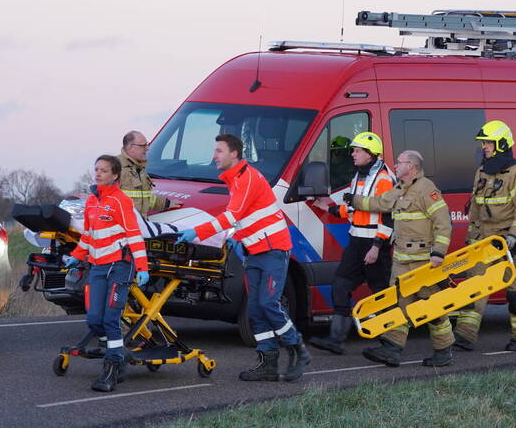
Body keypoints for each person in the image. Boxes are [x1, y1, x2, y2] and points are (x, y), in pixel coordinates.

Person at [176, 134, 311, 382]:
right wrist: (236, 238)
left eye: (218, 151)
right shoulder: (236, 180)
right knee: (256, 310)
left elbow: (231, 216)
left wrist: (197, 233)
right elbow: (244, 218)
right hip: (255, 251)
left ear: (234, 154)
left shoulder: (246, 177)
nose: (213, 156)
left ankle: (298, 349)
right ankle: (268, 362)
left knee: (269, 303)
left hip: (273, 250)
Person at [353, 150, 454, 367]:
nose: (395, 166)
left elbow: (444, 223)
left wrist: (438, 253)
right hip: (401, 260)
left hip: (423, 262)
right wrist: (353, 200)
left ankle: (444, 350)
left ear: (412, 167)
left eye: (399, 162)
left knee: (432, 306)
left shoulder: (427, 190)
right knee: (398, 303)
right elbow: (379, 203)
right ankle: (392, 349)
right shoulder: (399, 189)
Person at [66, 155, 151, 392]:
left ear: (115, 175)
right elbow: (88, 235)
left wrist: (143, 267)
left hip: (119, 266)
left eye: (103, 170)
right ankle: (117, 353)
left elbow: (134, 235)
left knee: (111, 319)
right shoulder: (92, 201)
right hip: (97, 266)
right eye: (96, 169)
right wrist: (76, 256)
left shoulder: (121, 202)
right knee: (94, 319)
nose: (98, 174)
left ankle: (111, 367)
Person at [308, 131, 394, 354]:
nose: (352, 154)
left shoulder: (384, 179)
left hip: (375, 245)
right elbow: (356, 209)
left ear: (370, 154)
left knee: (381, 293)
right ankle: (336, 340)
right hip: (356, 242)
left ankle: (391, 344)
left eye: (357, 151)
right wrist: (328, 208)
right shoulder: (358, 176)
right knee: (341, 284)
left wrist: (377, 246)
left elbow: (388, 216)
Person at [453, 120, 516, 352]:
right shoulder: (482, 171)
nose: (484, 147)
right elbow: (476, 208)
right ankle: (465, 336)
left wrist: (514, 235)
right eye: (483, 143)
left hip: (509, 243)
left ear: (500, 144)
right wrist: (471, 238)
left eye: (488, 142)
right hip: (484, 242)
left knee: (515, 292)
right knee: (473, 287)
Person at [119, 130, 171, 216]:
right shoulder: (115, 167)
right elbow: (105, 202)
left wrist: (166, 203)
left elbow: (144, 198)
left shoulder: (139, 168)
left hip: (139, 226)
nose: (147, 148)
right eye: (143, 145)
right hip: (124, 227)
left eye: (147, 144)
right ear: (130, 147)